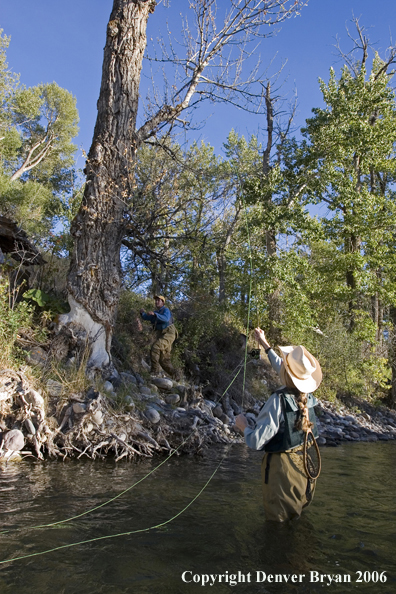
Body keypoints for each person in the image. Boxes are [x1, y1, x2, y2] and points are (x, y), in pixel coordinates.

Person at [235, 327, 322, 522]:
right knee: (296, 522)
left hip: (283, 472)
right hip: (306, 468)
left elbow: (256, 442)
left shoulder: (278, 401)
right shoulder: (307, 396)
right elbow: (282, 367)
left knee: (278, 528)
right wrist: (265, 344)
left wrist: (243, 427)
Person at [140, 295, 179, 379]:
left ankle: (154, 372)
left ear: (163, 302)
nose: (157, 302)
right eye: (156, 300)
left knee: (155, 347)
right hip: (163, 334)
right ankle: (176, 376)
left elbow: (165, 318)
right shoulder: (155, 312)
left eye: (159, 300)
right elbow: (146, 317)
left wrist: (155, 314)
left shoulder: (166, 310)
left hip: (169, 333)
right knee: (164, 360)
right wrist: (142, 313)